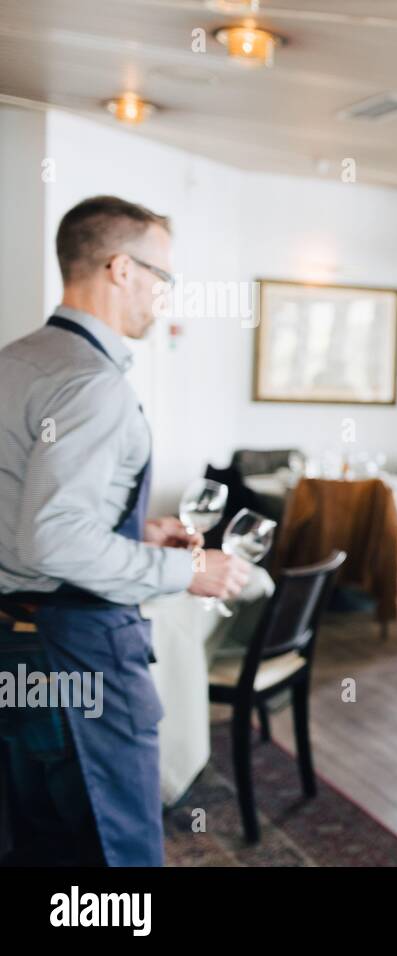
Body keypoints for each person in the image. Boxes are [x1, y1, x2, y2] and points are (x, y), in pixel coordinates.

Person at [0, 195, 250, 866]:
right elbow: (51, 539)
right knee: (114, 854)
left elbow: (25, 511)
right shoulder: (91, 383)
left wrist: (138, 532)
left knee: (32, 843)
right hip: (73, 653)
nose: (163, 294)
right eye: (160, 275)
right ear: (119, 268)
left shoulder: (15, 361)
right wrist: (189, 571)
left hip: (12, 645)